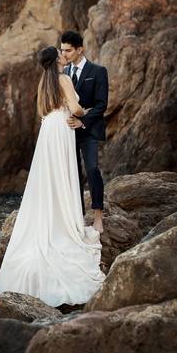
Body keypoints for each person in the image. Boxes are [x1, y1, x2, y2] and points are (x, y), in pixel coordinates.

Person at [0, 45, 106, 312]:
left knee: (48, 180)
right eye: (61, 54)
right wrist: (85, 114)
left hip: (49, 130)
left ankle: (52, 220)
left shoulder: (44, 82)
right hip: (63, 128)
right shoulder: (63, 79)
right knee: (63, 178)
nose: (65, 57)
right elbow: (76, 108)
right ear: (56, 60)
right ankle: (65, 224)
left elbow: (45, 110)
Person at [60, 30, 109, 230]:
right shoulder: (64, 74)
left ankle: (98, 216)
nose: (64, 55)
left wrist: (83, 121)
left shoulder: (98, 71)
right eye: (62, 50)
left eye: (69, 51)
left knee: (92, 169)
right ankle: (78, 217)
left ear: (80, 49)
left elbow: (102, 104)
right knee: (73, 174)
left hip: (88, 130)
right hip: (68, 131)